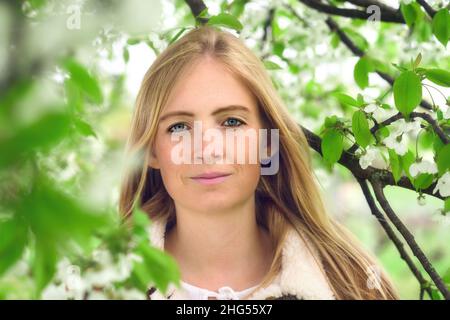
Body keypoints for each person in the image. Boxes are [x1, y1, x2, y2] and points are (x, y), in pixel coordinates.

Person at [119, 25, 398, 300]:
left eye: (231, 122)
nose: (207, 148)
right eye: (179, 127)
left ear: (267, 143)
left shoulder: (354, 283)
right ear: (150, 152)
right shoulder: (96, 285)